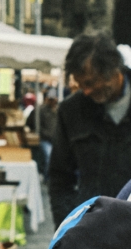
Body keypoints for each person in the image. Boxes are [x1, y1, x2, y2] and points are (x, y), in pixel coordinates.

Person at [49, 33, 131, 225]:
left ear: (113, 71)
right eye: (80, 84)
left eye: (90, 82)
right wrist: (68, 227)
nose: (85, 91)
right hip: (91, 230)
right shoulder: (71, 111)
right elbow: (59, 177)